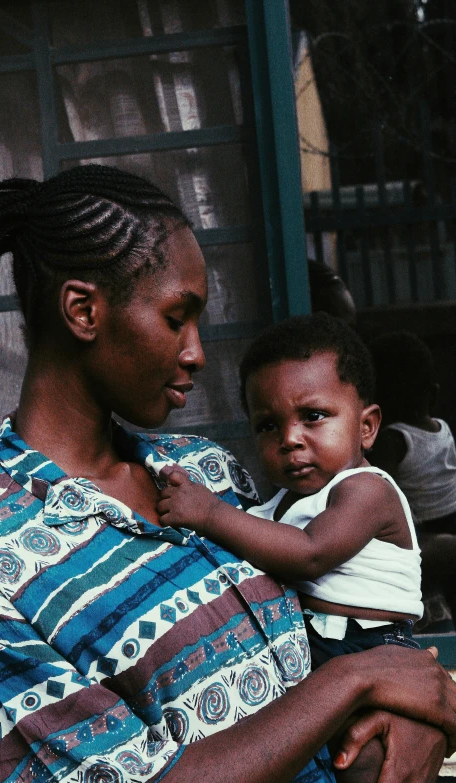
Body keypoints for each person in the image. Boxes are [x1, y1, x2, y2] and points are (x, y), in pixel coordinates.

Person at [0, 166, 454, 783]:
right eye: (177, 317)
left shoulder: (203, 471)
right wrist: (356, 677)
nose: (197, 352)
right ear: (82, 310)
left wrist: (424, 718)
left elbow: (337, 638)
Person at [156, 313, 423, 782]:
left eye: (313, 417)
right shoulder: (276, 508)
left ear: (367, 426)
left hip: (369, 646)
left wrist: (210, 514)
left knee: (367, 761)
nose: (290, 440)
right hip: (314, 645)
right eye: (267, 426)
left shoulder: (366, 490)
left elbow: (310, 551)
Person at [369, 330, 456, 626]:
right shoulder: (442, 428)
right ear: (432, 393)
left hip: (426, 534)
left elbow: (380, 492)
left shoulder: (393, 440)